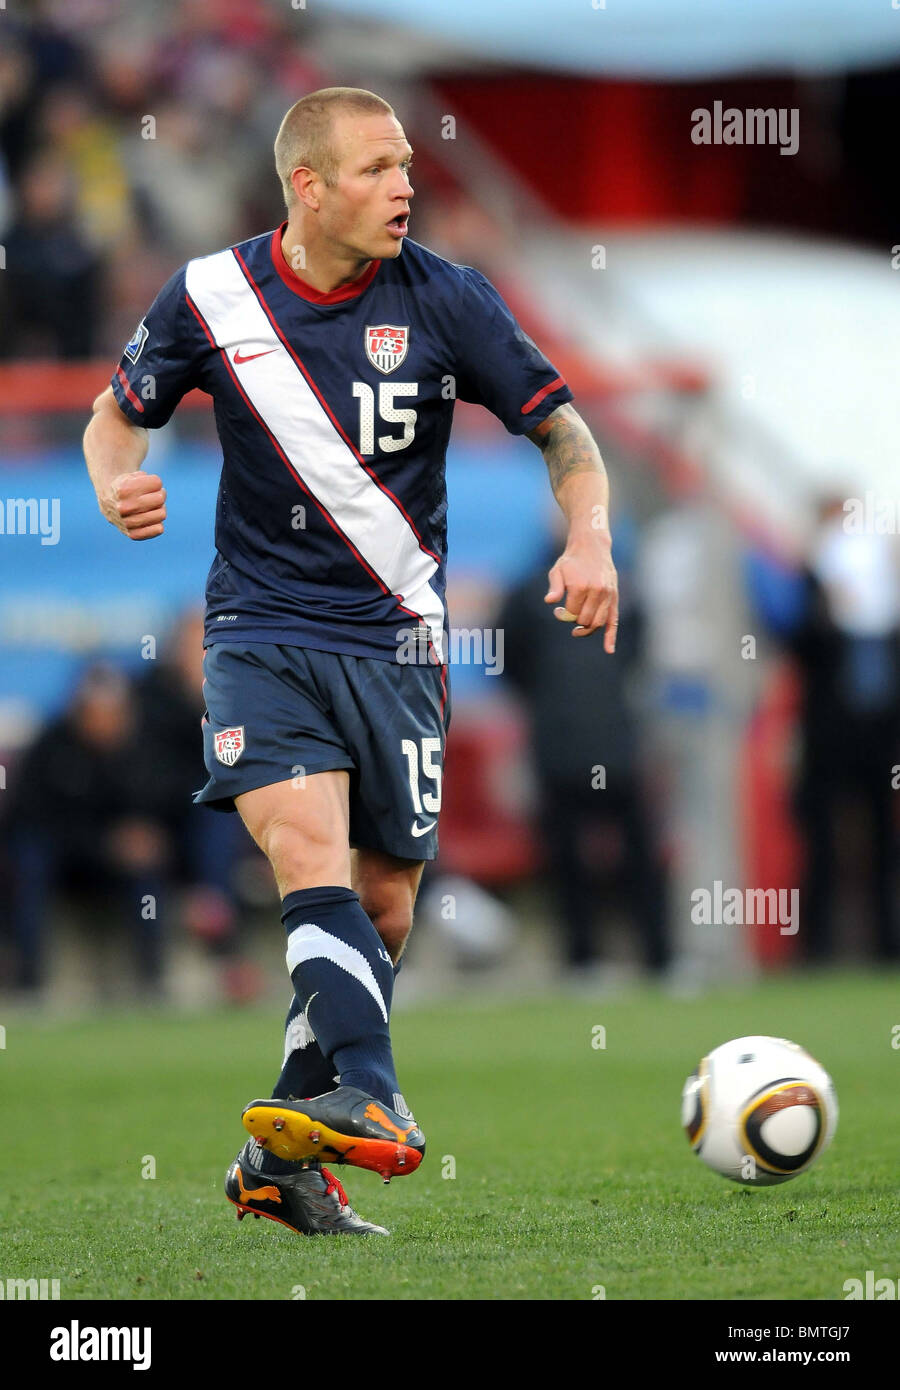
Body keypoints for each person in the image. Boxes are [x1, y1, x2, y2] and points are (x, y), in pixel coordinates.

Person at [83, 87, 618, 1237]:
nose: (406, 187)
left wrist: (589, 534)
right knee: (308, 849)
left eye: (407, 167)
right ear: (309, 187)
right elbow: (110, 416)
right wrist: (113, 476)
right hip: (261, 633)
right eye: (377, 169)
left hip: (397, 643)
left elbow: (562, 430)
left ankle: (279, 1153)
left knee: (380, 914)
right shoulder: (212, 295)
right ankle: (369, 1088)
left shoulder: (448, 296)